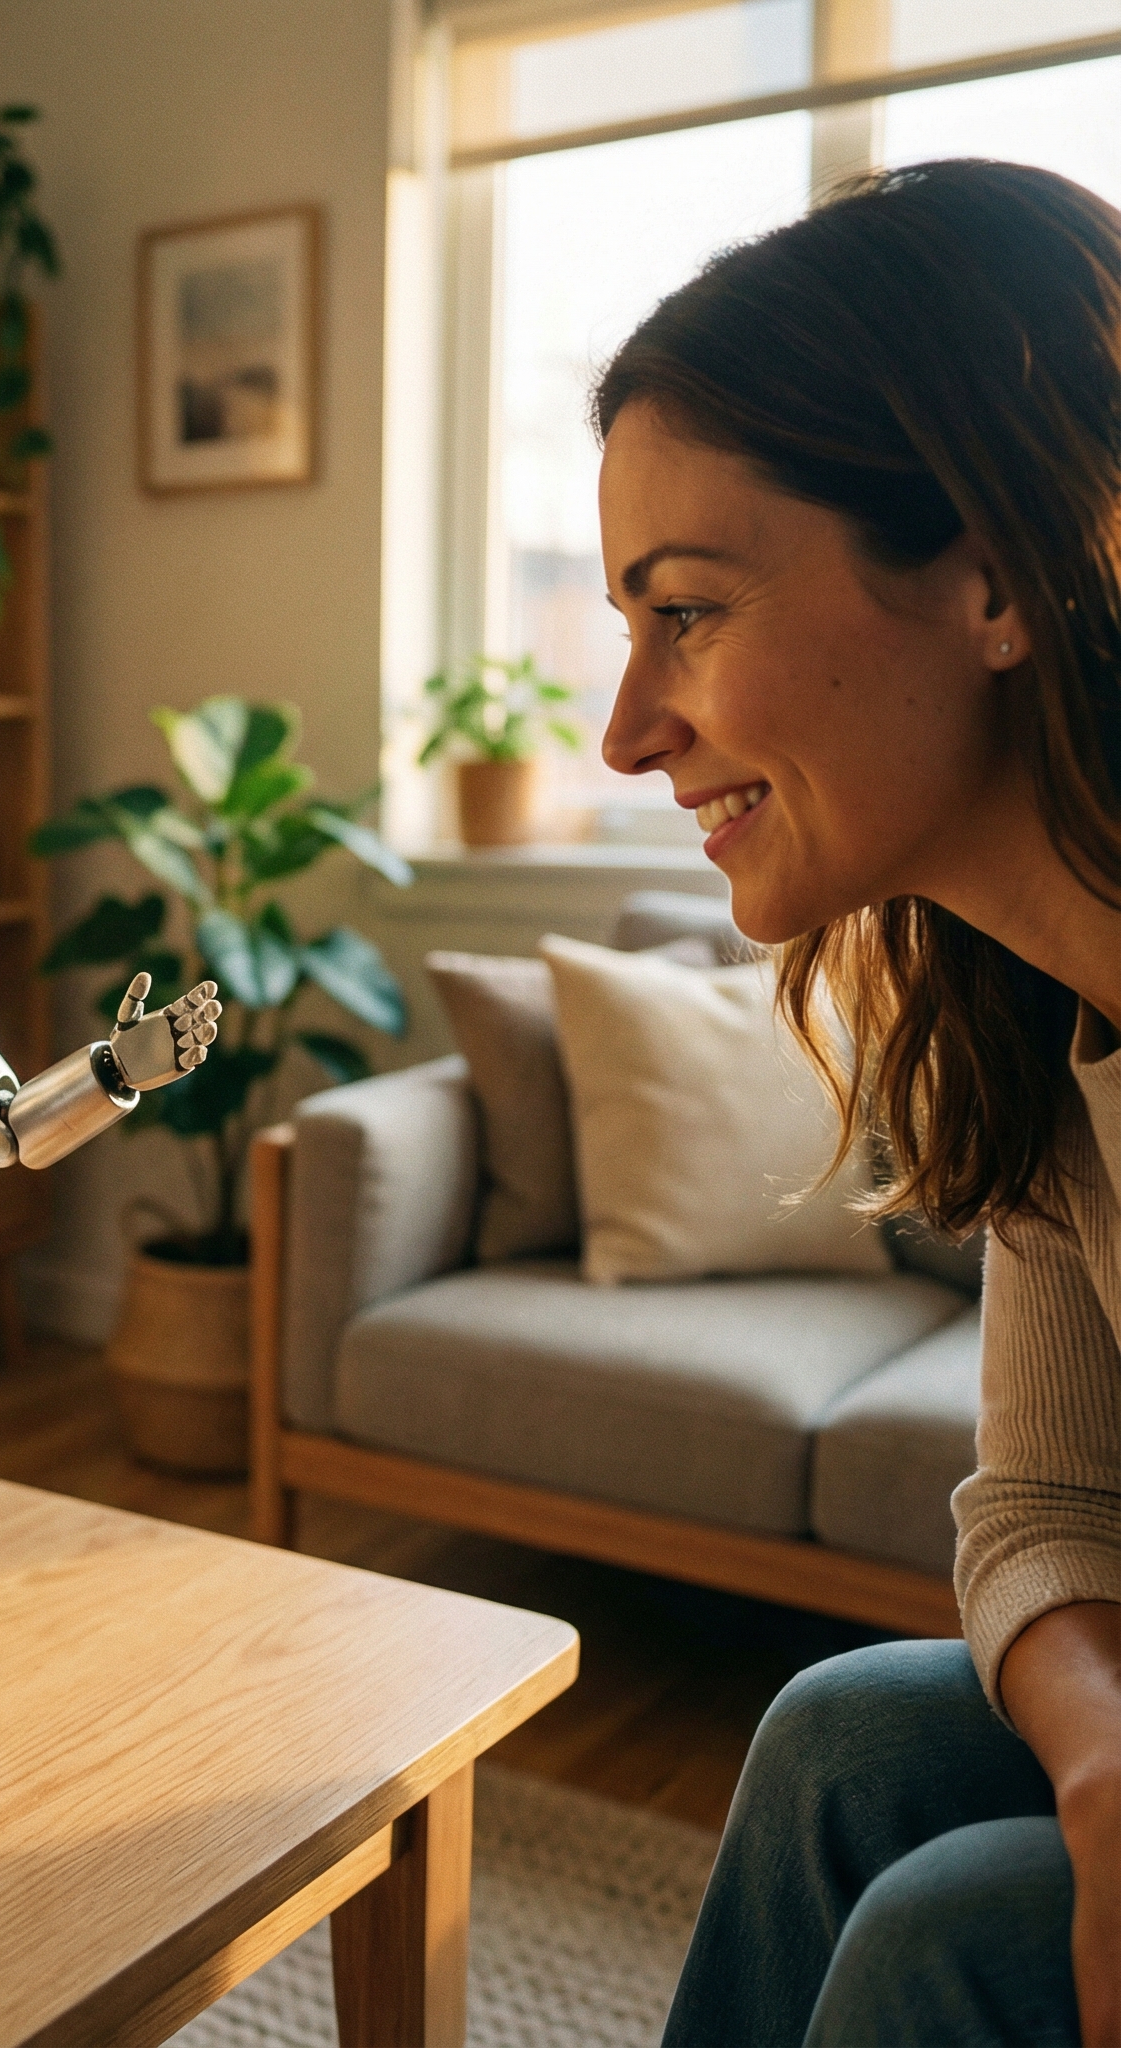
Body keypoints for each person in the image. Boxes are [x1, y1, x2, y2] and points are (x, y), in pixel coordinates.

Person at [594, 159, 1121, 2046]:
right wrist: (1100, 1764)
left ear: (990, 576)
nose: (627, 726)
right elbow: (1052, 1502)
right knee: (843, 1739)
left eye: (688, 613)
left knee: (954, 1941)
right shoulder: (1048, 1027)